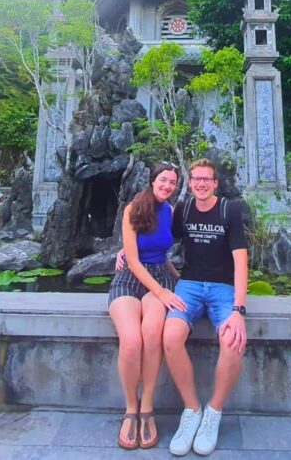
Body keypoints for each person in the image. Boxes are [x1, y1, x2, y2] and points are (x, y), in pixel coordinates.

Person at [164, 158, 249, 457]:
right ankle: (192, 410)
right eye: (196, 179)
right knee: (170, 337)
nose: (201, 183)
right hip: (188, 286)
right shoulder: (182, 209)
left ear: (215, 183)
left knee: (233, 342)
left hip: (223, 289)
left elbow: (240, 261)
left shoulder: (231, 210)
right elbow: (161, 241)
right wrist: (129, 249)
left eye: (207, 179)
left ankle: (213, 412)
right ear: (190, 181)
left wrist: (238, 311)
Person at [108, 162, 184, 450]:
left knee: (153, 335)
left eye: (172, 182)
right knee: (131, 341)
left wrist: (180, 282)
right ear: (153, 180)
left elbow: (162, 254)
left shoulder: (171, 211)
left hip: (161, 277)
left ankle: (147, 407)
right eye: (163, 180)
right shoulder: (133, 209)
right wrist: (161, 292)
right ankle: (131, 407)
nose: (167, 186)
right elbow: (134, 259)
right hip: (130, 278)